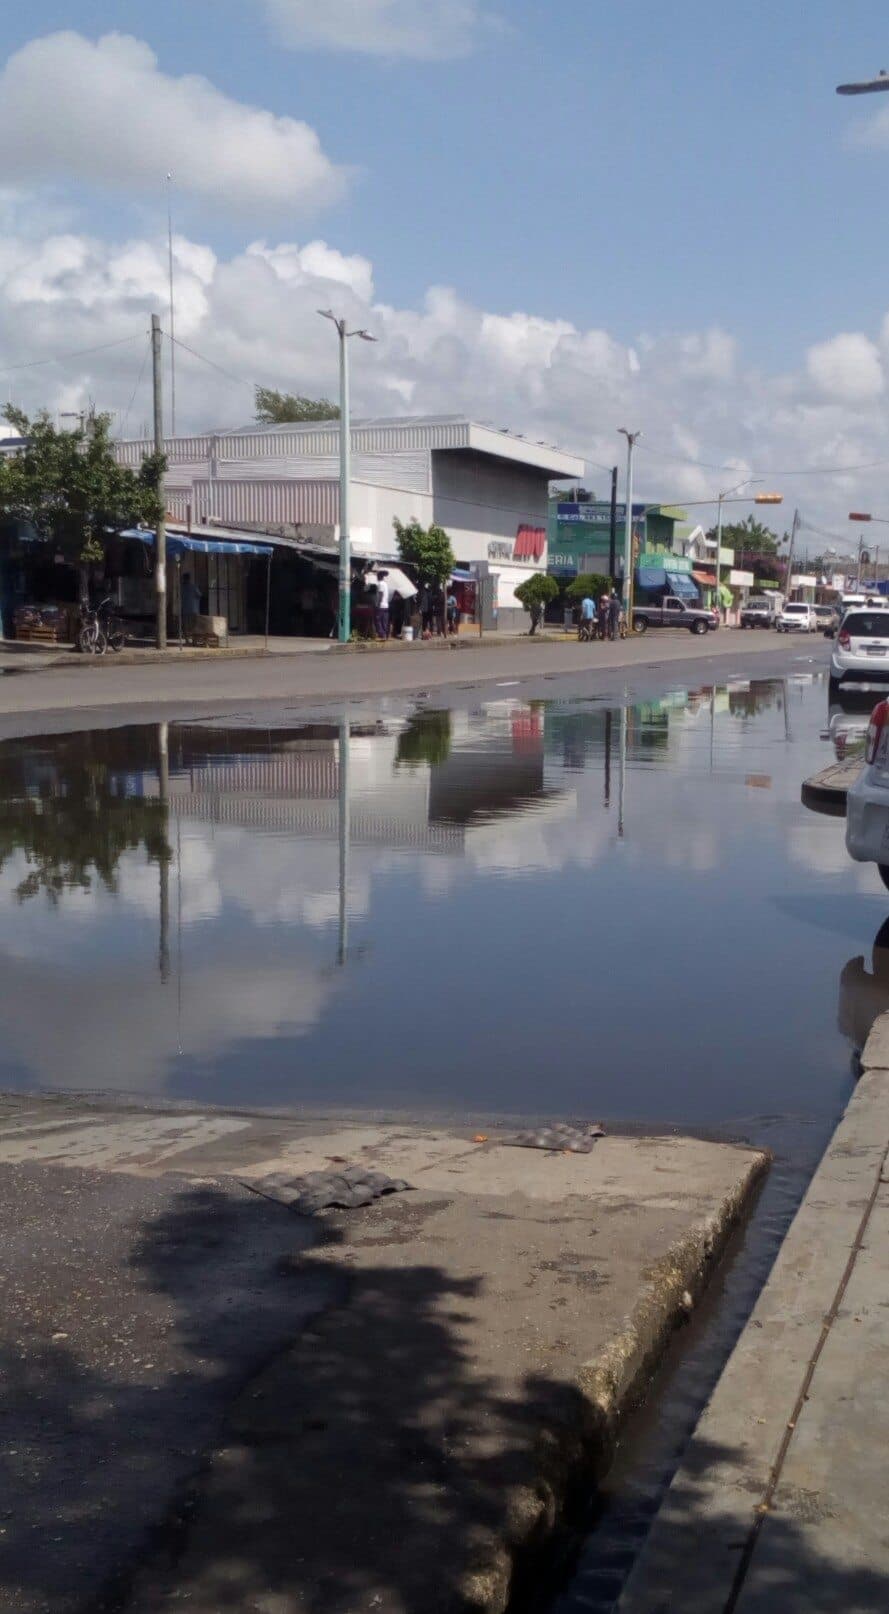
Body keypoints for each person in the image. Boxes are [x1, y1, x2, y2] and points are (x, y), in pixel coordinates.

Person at [181, 571, 201, 637]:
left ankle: (187, 639)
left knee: (186, 625)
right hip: (193, 609)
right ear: (189, 579)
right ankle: (194, 638)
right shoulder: (193, 586)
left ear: (184, 579)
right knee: (194, 624)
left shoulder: (182, 588)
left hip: (185, 609)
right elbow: (199, 595)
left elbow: (180, 596)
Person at [375, 571, 390, 639]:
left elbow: (380, 594)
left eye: (377, 576)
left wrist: (377, 604)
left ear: (379, 576)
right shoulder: (385, 584)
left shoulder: (380, 584)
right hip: (386, 605)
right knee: (384, 620)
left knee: (378, 619)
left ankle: (382, 634)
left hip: (381, 605)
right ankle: (385, 634)